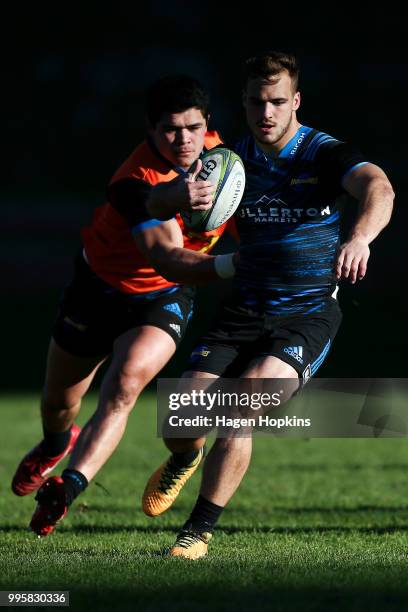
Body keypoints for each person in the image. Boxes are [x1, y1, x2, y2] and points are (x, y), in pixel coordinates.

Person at [142, 51, 395, 559]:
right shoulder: (229, 161)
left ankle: (196, 532)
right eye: (257, 101)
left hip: (306, 314)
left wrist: (361, 238)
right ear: (244, 101)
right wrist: (179, 198)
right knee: (181, 420)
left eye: (278, 101)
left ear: (295, 100)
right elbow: (154, 205)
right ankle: (183, 459)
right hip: (245, 309)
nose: (267, 113)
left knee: (241, 408)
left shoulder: (322, 153)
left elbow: (378, 186)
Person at [12, 74, 235, 537]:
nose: (184, 140)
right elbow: (168, 256)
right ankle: (56, 441)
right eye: (171, 130)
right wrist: (235, 263)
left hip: (162, 298)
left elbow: (174, 274)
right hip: (99, 291)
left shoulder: (219, 155)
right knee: (58, 404)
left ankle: (67, 488)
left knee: (124, 386)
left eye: (193, 128)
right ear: (151, 130)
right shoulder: (131, 180)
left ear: (207, 124)